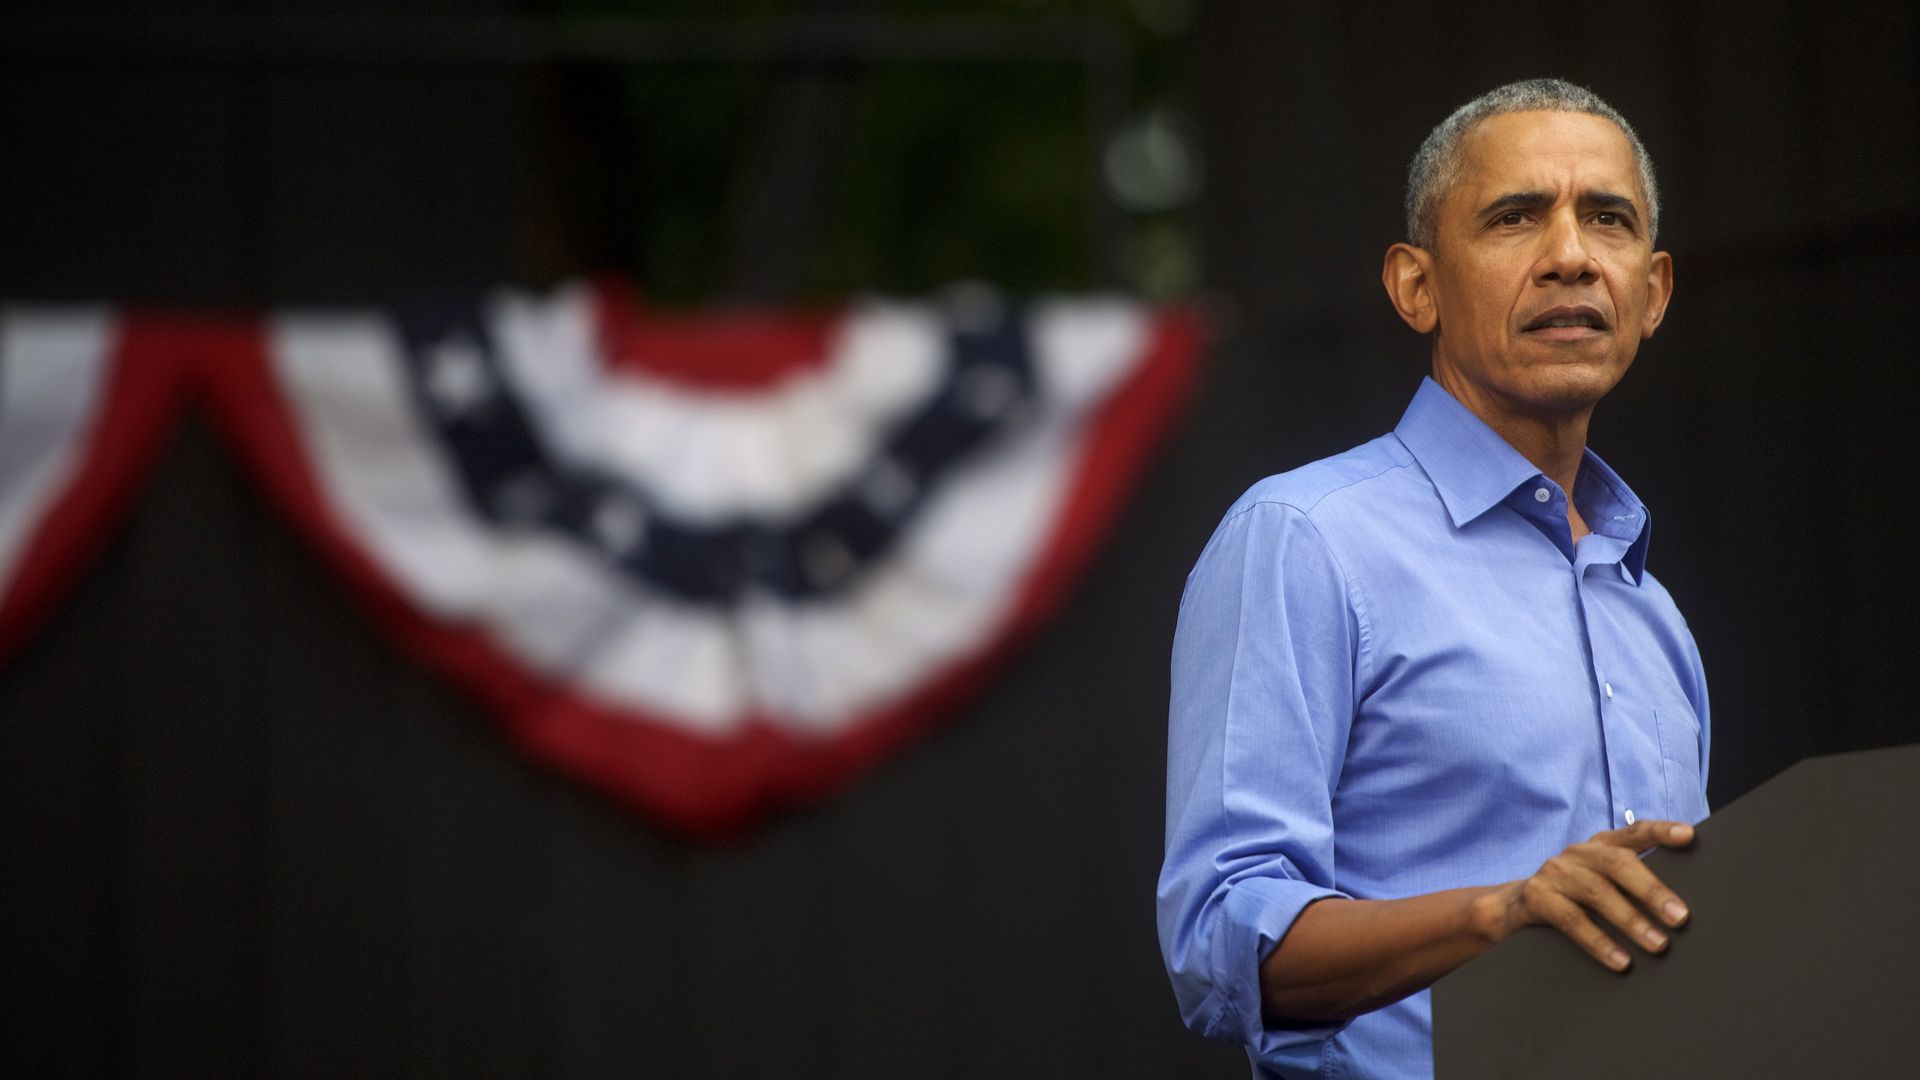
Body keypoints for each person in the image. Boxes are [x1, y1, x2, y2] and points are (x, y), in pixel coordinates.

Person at [1157, 78, 1709, 1080]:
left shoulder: (1654, 612)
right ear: (1417, 286)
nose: (1571, 255)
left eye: (1609, 220)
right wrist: (1499, 912)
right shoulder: (1306, 539)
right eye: (1515, 218)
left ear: (1654, 292)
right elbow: (1221, 938)